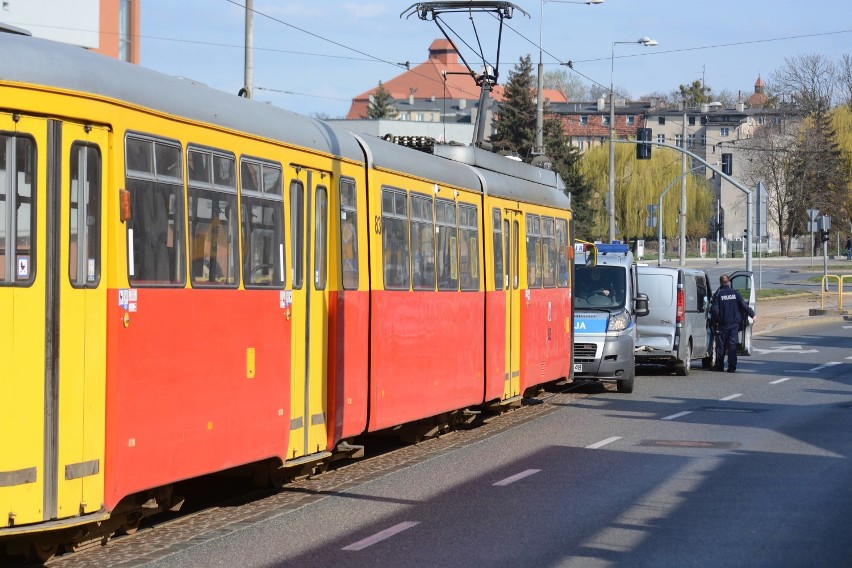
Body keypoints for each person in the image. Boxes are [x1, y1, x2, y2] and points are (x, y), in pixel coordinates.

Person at [710, 274, 756, 373]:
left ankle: (719, 366)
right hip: (734, 325)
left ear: (721, 283)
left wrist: (716, 320)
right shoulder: (735, 293)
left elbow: (714, 309)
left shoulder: (718, 294)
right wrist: (752, 315)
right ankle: (732, 367)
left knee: (720, 347)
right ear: (729, 282)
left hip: (722, 325)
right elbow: (744, 305)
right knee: (732, 346)